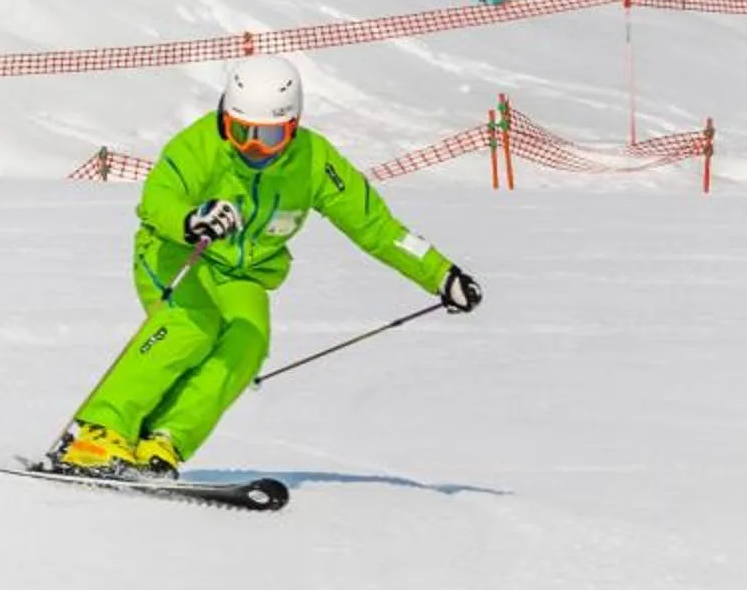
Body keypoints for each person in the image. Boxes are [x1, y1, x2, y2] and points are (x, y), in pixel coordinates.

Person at [46, 58, 481, 477]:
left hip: (246, 272)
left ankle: (164, 440)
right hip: (177, 252)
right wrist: (190, 219)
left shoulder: (314, 161)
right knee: (190, 324)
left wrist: (441, 274)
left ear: (292, 128)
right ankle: (98, 432)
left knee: (247, 342)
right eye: (241, 132)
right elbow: (158, 198)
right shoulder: (199, 146)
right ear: (223, 118)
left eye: (269, 137)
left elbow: (376, 226)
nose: (254, 148)